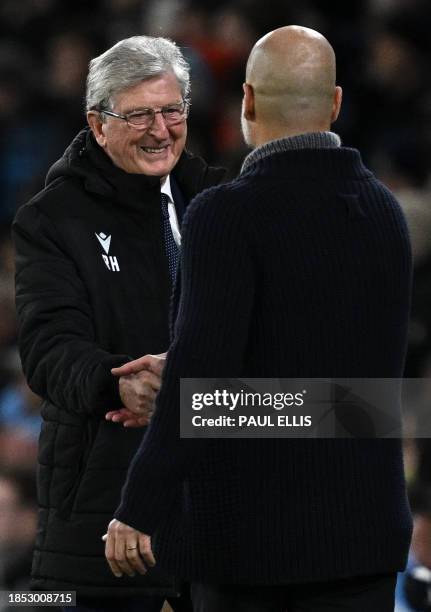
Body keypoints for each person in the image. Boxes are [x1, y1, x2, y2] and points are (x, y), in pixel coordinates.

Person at [104, 26, 413, 612]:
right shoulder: (385, 214)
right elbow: (344, 379)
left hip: (252, 548)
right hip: (366, 541)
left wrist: (139, 507)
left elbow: (206, 380)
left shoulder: (227, 214)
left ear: (245, 100)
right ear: (336, 103)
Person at [12, 35, 225, 611]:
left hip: (215, 512)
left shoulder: (219, 201)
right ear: (98, 123)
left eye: (172, 110)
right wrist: (119, 381)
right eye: (138, 115)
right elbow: (48, 347)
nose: (161, 130)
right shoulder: (52, 218)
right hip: (99, 520)